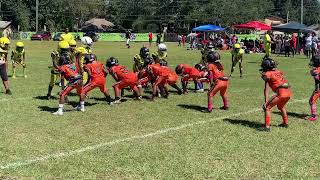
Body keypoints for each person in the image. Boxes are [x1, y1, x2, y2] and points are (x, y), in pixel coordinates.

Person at [260, 58, 292, 131]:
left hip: (281, 93)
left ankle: (267, 127)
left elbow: (266, 89)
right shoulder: (279, 71)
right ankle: (285, 123)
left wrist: (266, 101)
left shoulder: (268, 74)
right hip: (288, 92)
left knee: (267, 107)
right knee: (281, 107)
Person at [306, 54, 320, 121]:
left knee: (312, 101)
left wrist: (317, 88)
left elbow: (317, 78)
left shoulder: (316, 71)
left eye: (313, 61)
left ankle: (314, 116)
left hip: (318, 88)